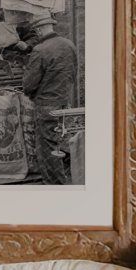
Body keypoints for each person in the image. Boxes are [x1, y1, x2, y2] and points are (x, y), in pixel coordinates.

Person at [22, 13, 79, 184]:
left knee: (47, 148)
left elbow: (29, 84)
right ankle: (68, 176)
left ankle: (55, 184)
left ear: (39, 30)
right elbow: (73, 73)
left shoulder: (40, 50)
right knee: (61, 140)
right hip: (64, 101)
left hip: (46, 105)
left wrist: (31, 93)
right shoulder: (69, 45)